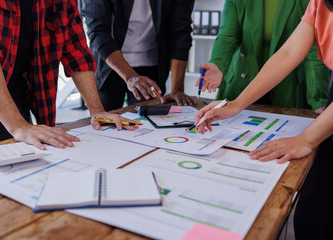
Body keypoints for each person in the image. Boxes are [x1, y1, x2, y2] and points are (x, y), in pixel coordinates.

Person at [195, 0, 333, 238]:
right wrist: (237, 104)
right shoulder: (318, 3)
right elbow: (290, 51)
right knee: (312, 212)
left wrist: (306, 139)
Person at [0, 0, 137, 149]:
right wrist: (18, 126)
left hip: (12, 83)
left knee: (23, 152)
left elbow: (76, 50)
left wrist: (97, 111)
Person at [196, 0, 329, 113]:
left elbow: (312, 51)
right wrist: (217, 64)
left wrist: (319, 100)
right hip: (242, 82)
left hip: (288, 85)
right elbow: (227, 36)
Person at [79, 0, 195, 111]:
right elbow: (98, 32)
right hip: (108, 64)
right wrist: (130, 77)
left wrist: (177, 89)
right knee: (105, 122)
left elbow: (180, 32)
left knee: (149, 122)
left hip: (151, 67)